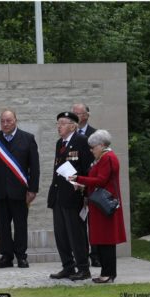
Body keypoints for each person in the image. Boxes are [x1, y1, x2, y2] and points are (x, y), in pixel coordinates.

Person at [0, 109, 40, 269]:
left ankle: (21, 256)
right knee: (3, 225)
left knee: (21, 224)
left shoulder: (28, 139)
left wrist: (33, 189)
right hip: (0, 190)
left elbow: (34, 167)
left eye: (9, 121)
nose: (5, 124)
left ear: (16, 120)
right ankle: (6, 256)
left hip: (20, 192)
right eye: (3, 121)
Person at [69, 129, 126, 283]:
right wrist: (83, 186)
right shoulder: (103, 157)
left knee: (107, 241)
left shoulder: (108, 158)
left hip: (104, 206)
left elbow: (101, 180)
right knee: (102, 241)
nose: (91, 150)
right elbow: (97, 179)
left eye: (93, 147)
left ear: (101, 145)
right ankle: (105, 273)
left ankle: (108, 274)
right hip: (99, 206)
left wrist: (79, 179)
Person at [47, 112, 91, 281]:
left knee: (76, 234)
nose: (59, 126)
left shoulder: (81, 141)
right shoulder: (60, 143)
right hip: (59, 195)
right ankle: (68, 266)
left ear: (73, 126)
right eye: (58, 123)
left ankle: (83, 268)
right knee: (61, 234)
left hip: (74, 196)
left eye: (63, 123)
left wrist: (85, 193)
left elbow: (87, 168)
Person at [72, 103, 101, 268]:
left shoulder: (95, 134)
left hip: (92, 184)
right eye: (73, 112)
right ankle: (80, 255)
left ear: (87, 115)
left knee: (93, 222)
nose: (75, 115)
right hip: (76, 184)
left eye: (79, 113)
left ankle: (95, 255)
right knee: (78, 223)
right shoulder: (70, 135)